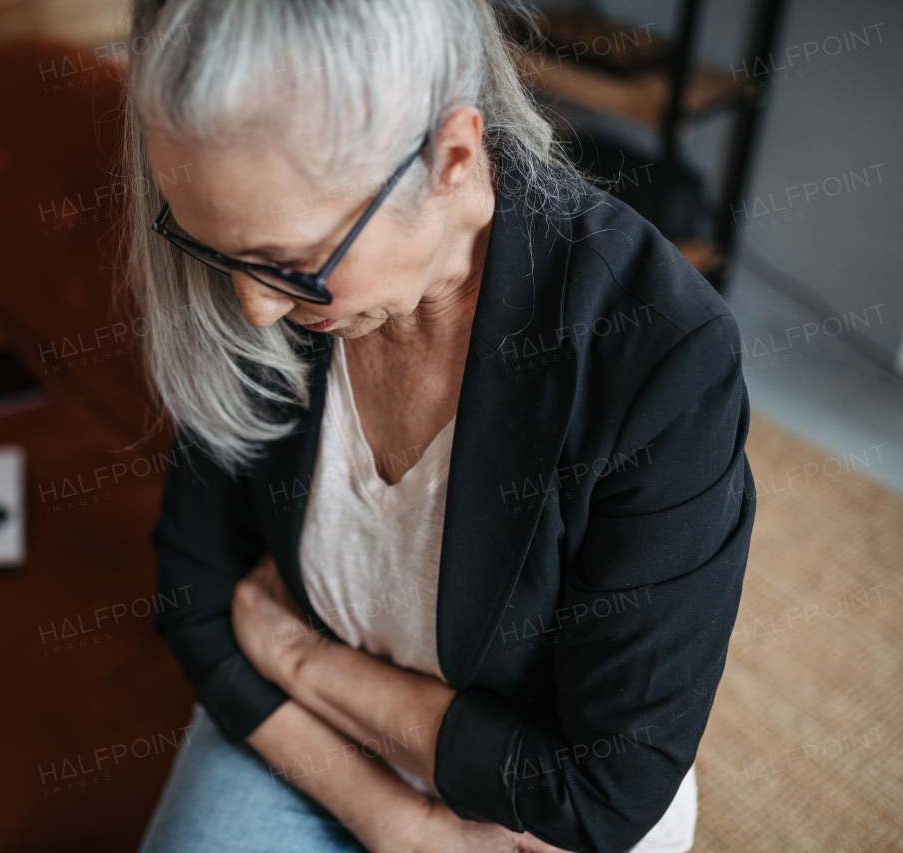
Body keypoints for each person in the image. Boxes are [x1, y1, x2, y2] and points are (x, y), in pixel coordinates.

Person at [121, 1, 757, 851]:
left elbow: (601, 786)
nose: (254, 305)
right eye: (219, 252)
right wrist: (403, 826)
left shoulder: (660, 359)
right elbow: (195, 588)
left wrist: (306, 660)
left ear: (451, 155)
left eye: (295, 265)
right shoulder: (252, 238)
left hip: (523, 810)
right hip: (308, 733)